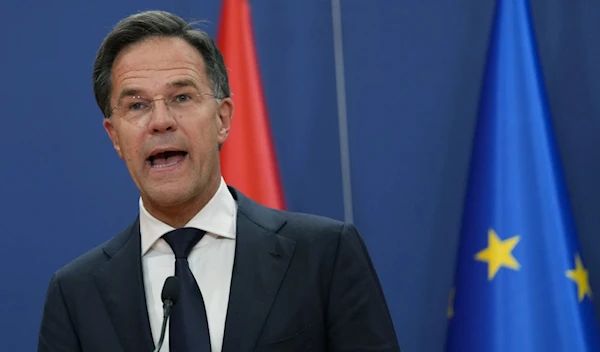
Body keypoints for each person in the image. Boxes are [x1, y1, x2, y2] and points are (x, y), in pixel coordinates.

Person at [37, 10, 400, 352]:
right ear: (115, 136)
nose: (160, 121)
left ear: (222, 120)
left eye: (181, 97)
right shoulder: (75, 294)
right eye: (137, 105)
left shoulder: (324, 256)